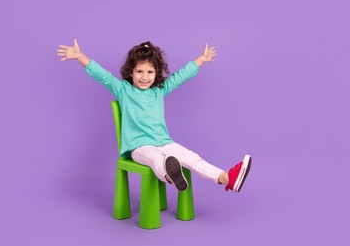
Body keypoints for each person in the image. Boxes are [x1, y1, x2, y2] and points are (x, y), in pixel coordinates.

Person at [57, 39, 252, 193]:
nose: (144, 77)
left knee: (192, 158)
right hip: (138, 146)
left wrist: (200, 59)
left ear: (156, 73)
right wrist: (80, 56)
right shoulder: (123, 89)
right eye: (139, 71)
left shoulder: (159, 90)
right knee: (155, 158)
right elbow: (103, 75)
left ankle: (227, 179)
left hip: (164, 141)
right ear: (130, 72)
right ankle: (170, 176)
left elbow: (180, 76)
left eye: (150, 72)